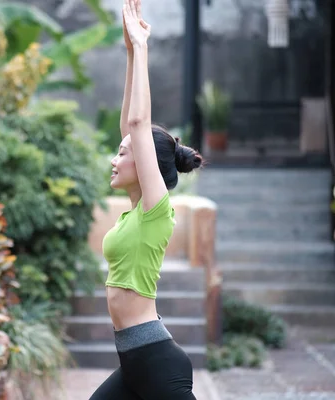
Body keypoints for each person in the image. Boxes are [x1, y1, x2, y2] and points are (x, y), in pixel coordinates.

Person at [88, 0, 203, 399]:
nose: (114, 158)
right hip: (134, 361)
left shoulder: (157, 210)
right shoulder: (136, 211)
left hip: (156, 362)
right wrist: (130, 52)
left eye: (123, 153)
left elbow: (138, 125)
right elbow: (129, 125)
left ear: (147, 163)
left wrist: (144, 48)